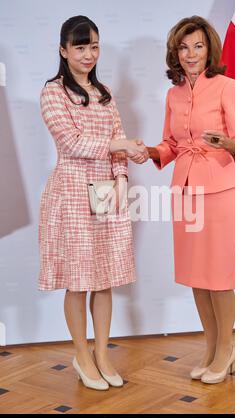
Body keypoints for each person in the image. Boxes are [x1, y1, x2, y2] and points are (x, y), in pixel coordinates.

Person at [39, 15, 147, 391]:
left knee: (106, 280)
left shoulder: (105, 93)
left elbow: (118, 137)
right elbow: (71, 142)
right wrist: (120, 146)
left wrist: (121, 177)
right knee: (78, 281)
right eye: (81, 46)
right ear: (64, 50)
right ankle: (82, 355)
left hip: (107, 193)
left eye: (94, 46)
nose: (89, 54)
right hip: (71, 190)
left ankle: (102, 354)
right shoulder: (53, 92)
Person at [144, 16, 235, 384]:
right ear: (176, 52)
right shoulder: (173, 94)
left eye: (198, 46)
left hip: (221, 190)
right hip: (186, 191)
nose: (191, 54)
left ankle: (226, 350)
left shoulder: (227, 87)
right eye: (184, 47)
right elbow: (171, 144)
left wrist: (228, 144)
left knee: (220, 278)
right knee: (198, 277)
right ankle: (210, 349)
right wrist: (149, 152)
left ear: (210, 50)